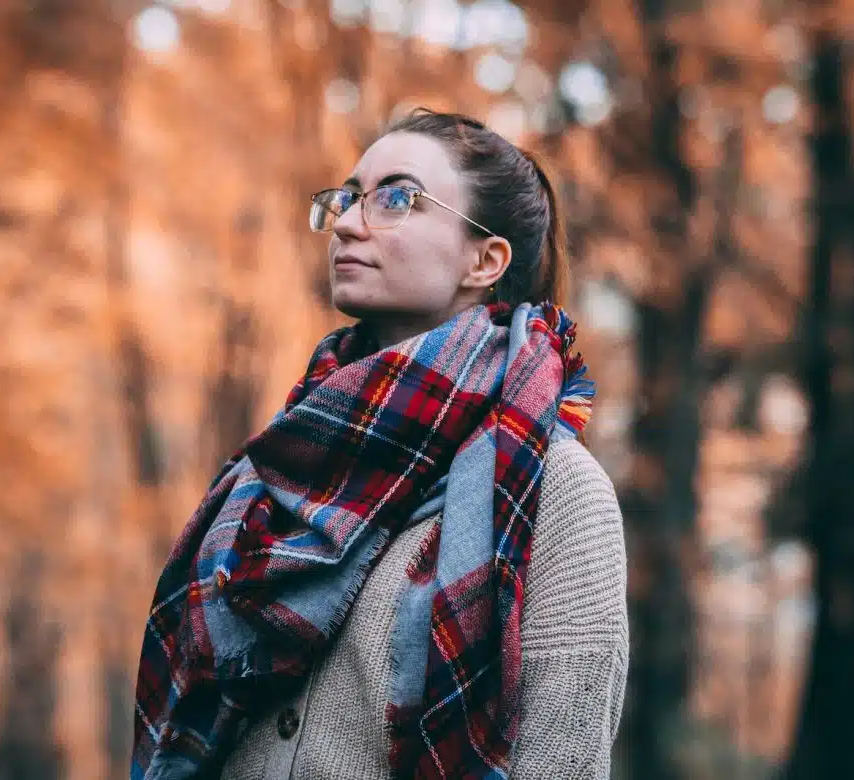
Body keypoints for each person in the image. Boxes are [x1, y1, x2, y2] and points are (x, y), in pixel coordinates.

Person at [131, 108, 628, 780]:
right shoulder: (282, 464)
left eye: (395, 198)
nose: (345, 222)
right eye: (347, 197)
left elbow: (561, 762)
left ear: (484, 260)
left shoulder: (558, 493)